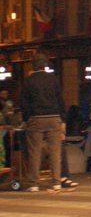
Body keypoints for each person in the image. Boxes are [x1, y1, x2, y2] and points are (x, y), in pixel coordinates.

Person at [21, 53, 66, 193]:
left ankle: (34, 183)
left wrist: (27, 118)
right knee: (55, 152)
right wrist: (62, 120)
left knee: (35, 152)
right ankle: (56, 182)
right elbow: (61, 100)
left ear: (33, 65)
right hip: (54, 118)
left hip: (36, 118)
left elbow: (24, 103)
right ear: (45, 65)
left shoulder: (28, 81)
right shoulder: (54, 80)